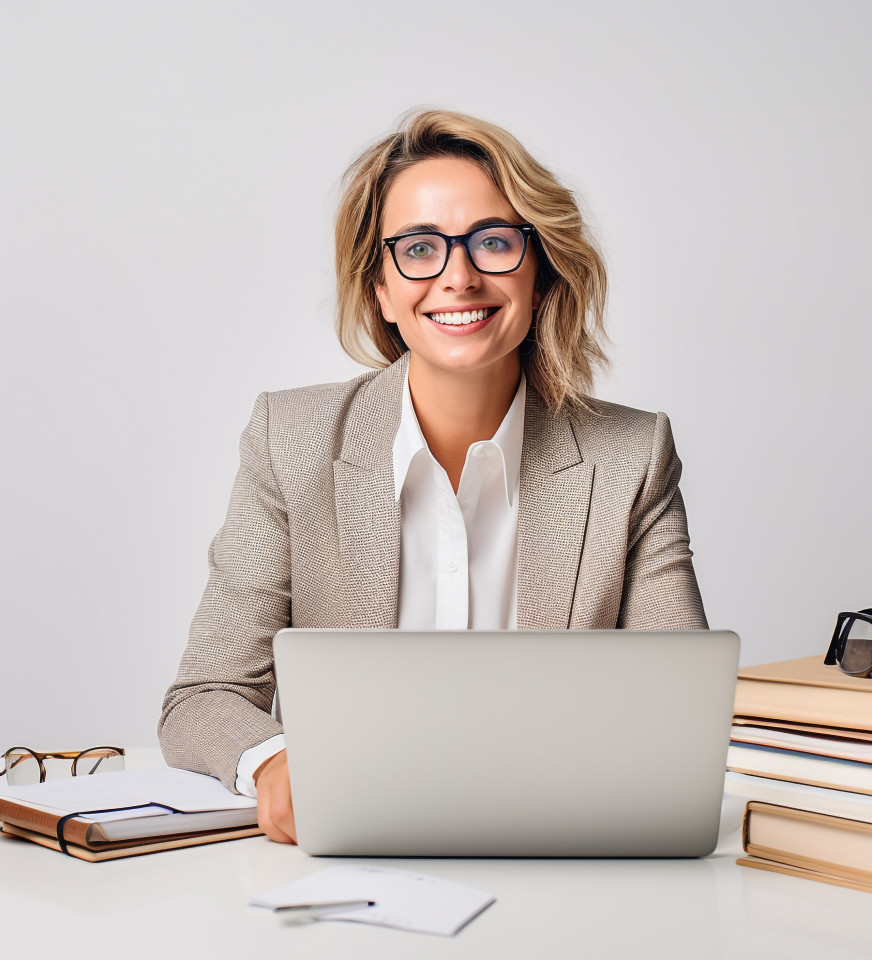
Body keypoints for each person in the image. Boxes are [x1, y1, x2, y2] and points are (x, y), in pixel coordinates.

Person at [158, 109, 707, 845]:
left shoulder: (631, 456)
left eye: (493, 242)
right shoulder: (290, 442)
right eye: (420, 247)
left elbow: (676, 711)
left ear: (539, 273)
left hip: (564, 855)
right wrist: (272, 761)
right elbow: (203, 696)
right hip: (349, 867)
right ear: (380, 286)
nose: (459, 276)